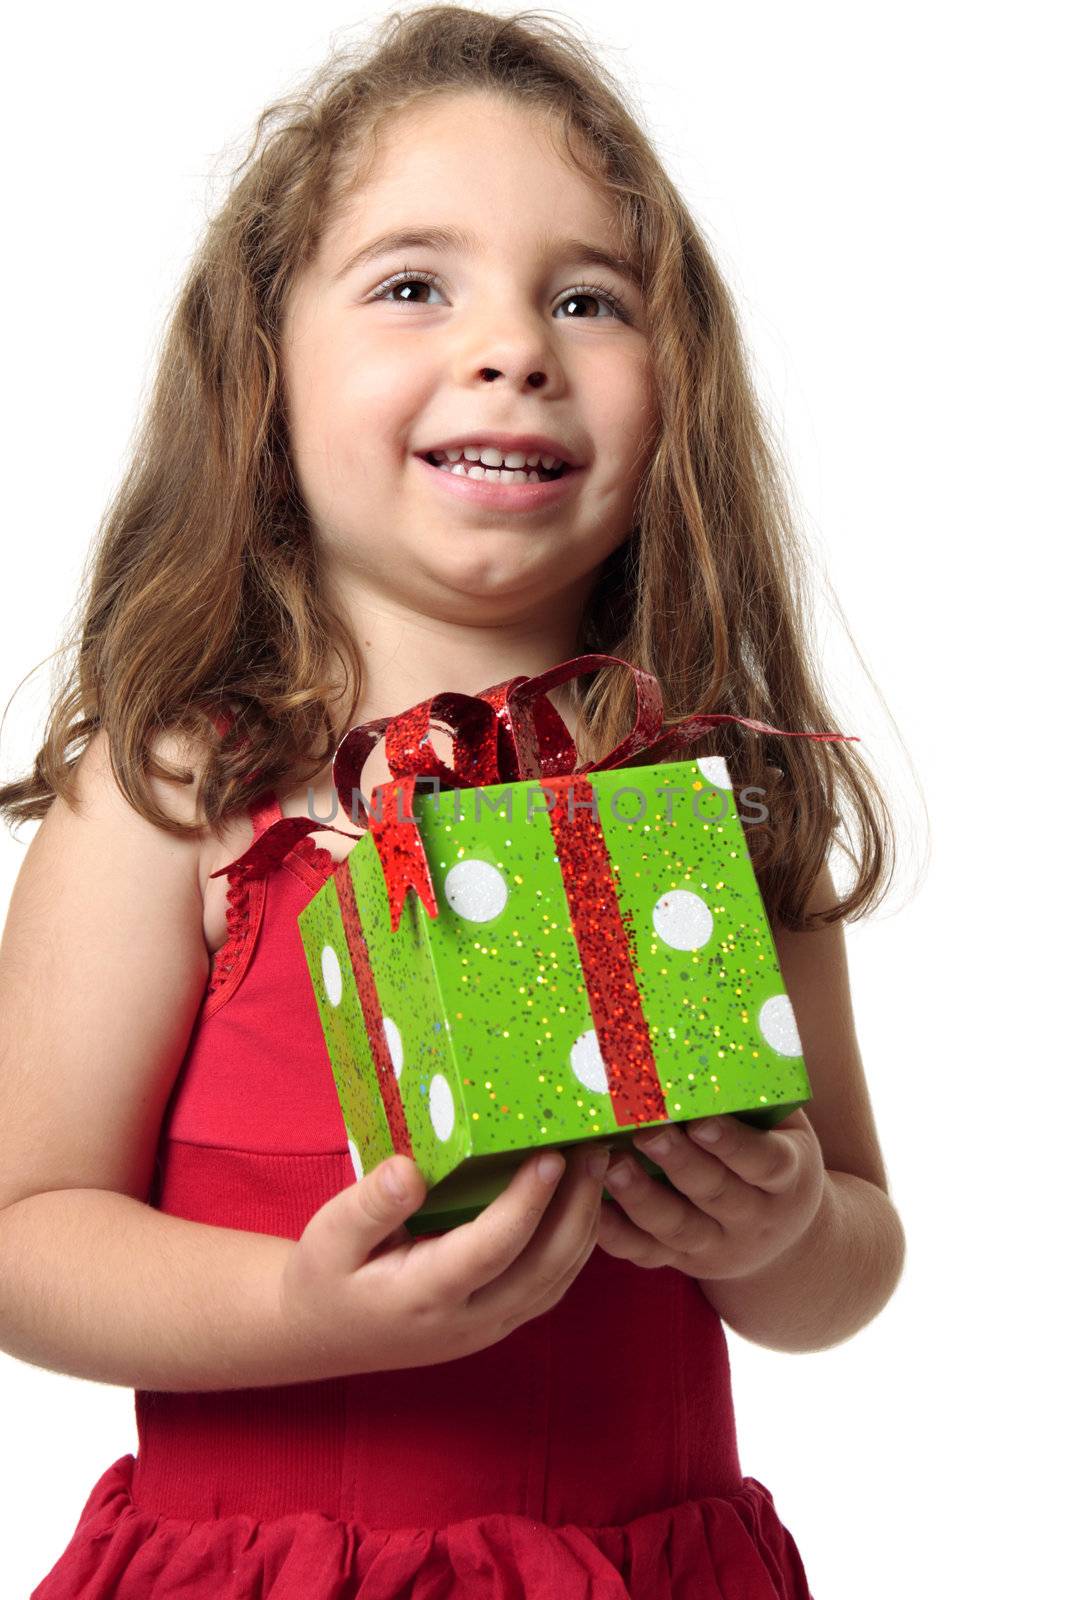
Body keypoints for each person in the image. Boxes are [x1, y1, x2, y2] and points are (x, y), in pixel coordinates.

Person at [0, 7, 908, 1596]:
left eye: (587, 297)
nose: (515, 346)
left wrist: (778, 1236)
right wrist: (303, 1313)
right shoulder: (180, 791)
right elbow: (20, 1230)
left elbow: (852, 1257)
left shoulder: (704, 792)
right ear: (260, 366)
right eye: (415, 285)